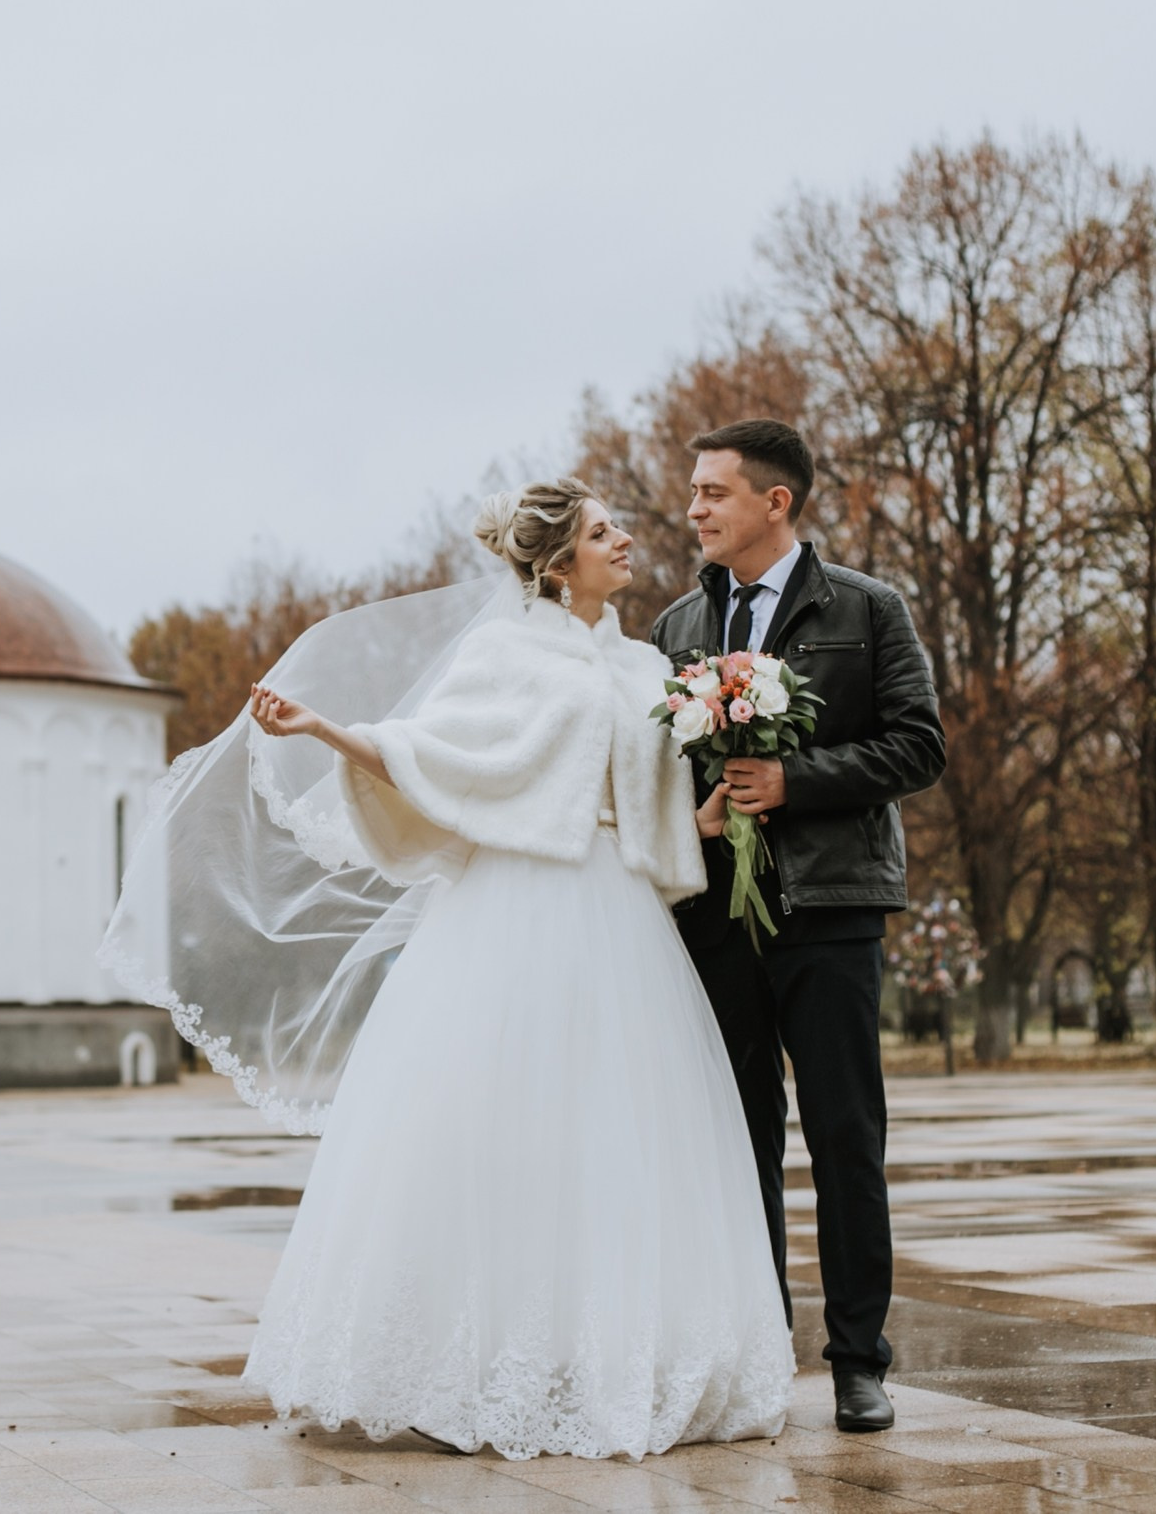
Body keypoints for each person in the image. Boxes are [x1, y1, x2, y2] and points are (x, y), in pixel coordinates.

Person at [235, 478, 792, 1460]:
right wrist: (324, 730)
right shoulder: (503, 651)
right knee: (498, 1132)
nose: (623, 539)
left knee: (620, 1136)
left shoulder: (643, 663)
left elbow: (651, 803)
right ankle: (471, 1362)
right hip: (514, 909)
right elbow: (434, 753)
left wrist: (717, 810)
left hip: (620, 916)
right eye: (599, 531)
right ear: (551, 563)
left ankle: (610, 1358)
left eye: (615, 525)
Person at [650, 420, 946, 1434]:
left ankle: (860, 1361)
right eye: (693, 492)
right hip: (715, 922)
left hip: (829, 911)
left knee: (844, 1138)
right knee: (738, 1146)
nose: (693, 508)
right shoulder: (676, 627)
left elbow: (917, 746)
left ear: (774, 503)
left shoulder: (866, 611)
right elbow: (657, 774)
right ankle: (758, 1352)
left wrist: (794, 781)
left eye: (711, 493)